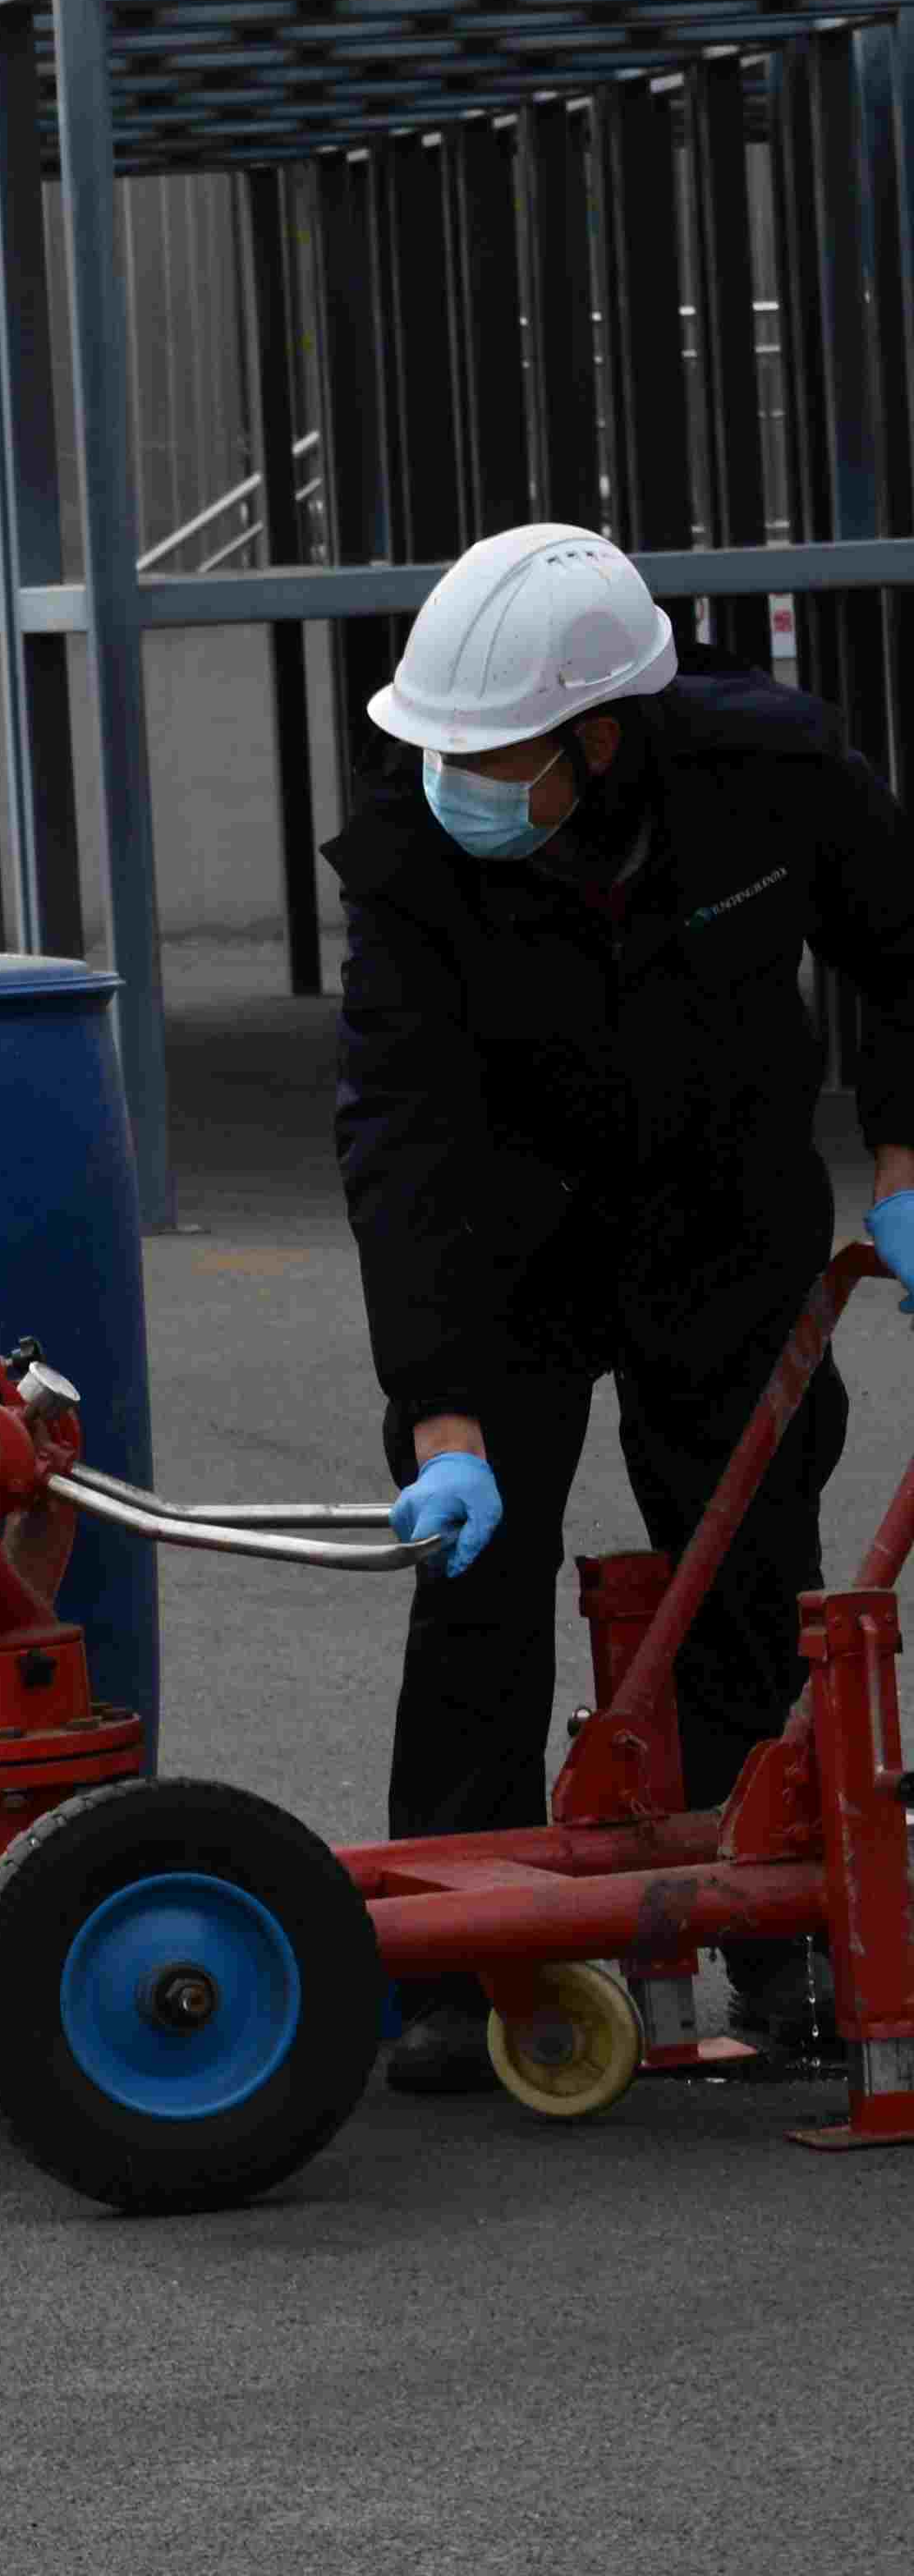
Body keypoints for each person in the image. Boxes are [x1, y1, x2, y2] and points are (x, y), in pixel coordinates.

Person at [331, 521, 914, 2093]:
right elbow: (402, 1134)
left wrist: (905, 1161)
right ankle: (458, 1970)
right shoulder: (408, 849)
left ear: (599, 738)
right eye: (442, 752)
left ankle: (785, 1942)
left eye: (490, 756)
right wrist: (443, 1417)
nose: (456, 781)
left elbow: (907, 954)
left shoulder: (769, 772)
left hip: (725, 1218)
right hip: (506, 1240)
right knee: (476, 1583)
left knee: (749, 1558)